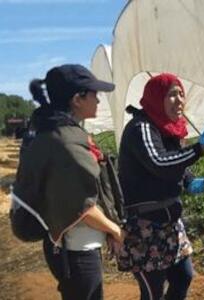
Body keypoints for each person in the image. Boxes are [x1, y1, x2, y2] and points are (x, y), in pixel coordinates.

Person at [13, 64, 125, 300]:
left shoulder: (58, 133)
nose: (99, 100)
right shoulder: (66, 144)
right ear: (77, 99)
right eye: (94, 94)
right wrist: (115, 231)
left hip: (71, 246)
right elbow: (82, 208)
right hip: (76, 251)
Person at [117, 73, 204, 300]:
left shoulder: (170, 128)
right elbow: (159, 162)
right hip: (145, 227)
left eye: (181, 94)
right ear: (156, 98)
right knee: (153, 292)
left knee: (184, 277)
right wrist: (199, 149)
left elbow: (174, 160)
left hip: (170, 225)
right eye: (171, 94)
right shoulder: (142, 127)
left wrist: (188, 181)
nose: (179, 100)